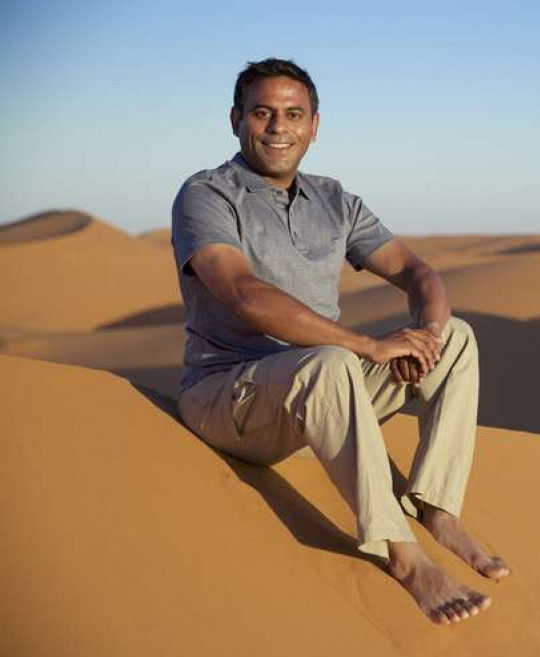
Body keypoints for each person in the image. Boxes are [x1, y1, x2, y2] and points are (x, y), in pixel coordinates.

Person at [171, 57, 508, 625]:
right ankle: (402, 555)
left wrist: (425, 336)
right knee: (329, 361)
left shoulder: (335, 200)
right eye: (263, 113)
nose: (279, 127)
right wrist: (369, 347)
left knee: (457, 338)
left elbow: (417, 272)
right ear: (235, 120)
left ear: (314, 125)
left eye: (293, 114)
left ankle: (436, 505)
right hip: (230, 397)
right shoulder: (207, 194)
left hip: (325, 397)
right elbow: (244, 293)